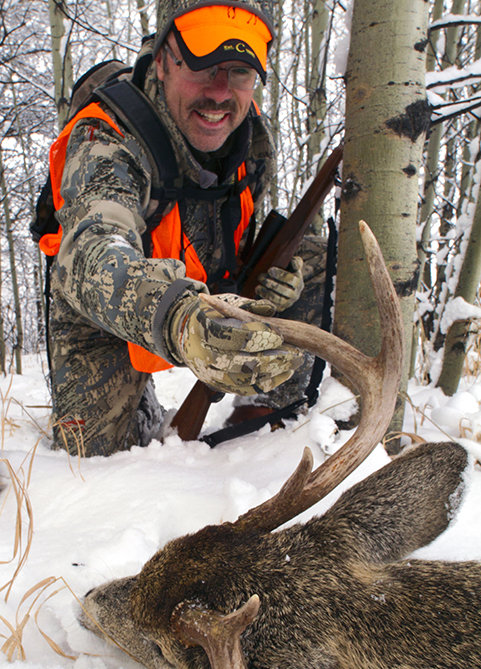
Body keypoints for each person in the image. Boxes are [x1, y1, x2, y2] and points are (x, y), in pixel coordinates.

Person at [46, 0, 310, 457]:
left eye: (241, 72)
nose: (221, 94)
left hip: (201, 291)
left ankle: (266, 417)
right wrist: (182, 321)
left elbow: (239, 241)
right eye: (205, 68)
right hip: (107, 313)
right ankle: (142, 404)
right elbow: (92, 252)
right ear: (165, 60)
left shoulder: (253, 138)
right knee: (93, 465)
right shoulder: (108, 137)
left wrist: (274, 286)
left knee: (315, 253)